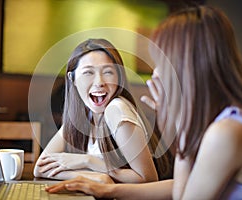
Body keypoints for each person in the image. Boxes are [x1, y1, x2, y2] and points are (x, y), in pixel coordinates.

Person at [45, 5, 242, 199]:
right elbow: (180, 187)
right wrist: (108, 188)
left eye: (164, 61)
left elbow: (184, 196)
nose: (156, 72)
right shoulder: (223, 121)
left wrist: (179, 127)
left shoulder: (227, 133)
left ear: (191, 66)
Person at [33, 38, 172, 183]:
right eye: (88, 73)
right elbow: (41, 167)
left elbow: (148, 179)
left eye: (108, 72)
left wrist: (88, 161)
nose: (99, 82)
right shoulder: (83, 114)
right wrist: (98, 178)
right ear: (72, 78)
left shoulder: (117, 109)